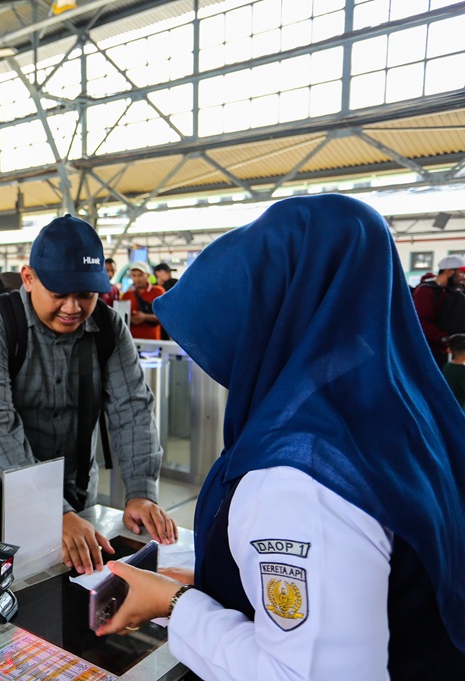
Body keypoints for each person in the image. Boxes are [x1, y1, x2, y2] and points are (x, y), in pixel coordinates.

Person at [98, 195, 465, 679]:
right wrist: (221, 583)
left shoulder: (297, 476)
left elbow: (298, 674)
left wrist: (176, 603)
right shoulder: (409, 412)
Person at [0, 215, 175, 575]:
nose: (73, 307)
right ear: (29, 279)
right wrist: (52, 511)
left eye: (86, 294)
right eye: (59, 294)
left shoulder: (109, 328)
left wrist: (140, 490)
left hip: (77, 496)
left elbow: (132, 409)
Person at [412, 255, 465, 367]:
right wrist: (444, 339)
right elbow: (421, 322)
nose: (462, 276)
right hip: (430, 351)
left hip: (447, 350)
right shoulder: (425, 291)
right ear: (449, 272)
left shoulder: (452, 292)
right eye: (461, 272)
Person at [121, 261, 165, 340]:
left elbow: (165, 316)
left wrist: (145, 317)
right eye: (134, 275)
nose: (137, 279)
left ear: (148, 275)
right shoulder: (126, 295)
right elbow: (121, 317)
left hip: (153, 341)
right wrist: (130, 319)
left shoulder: (158, 291)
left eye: (140, 275)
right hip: (131, 340)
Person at [442, 334, 465, 409]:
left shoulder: (447, 367)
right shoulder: (462, 371)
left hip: (448, 407)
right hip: (460, 410)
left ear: (449, 350)